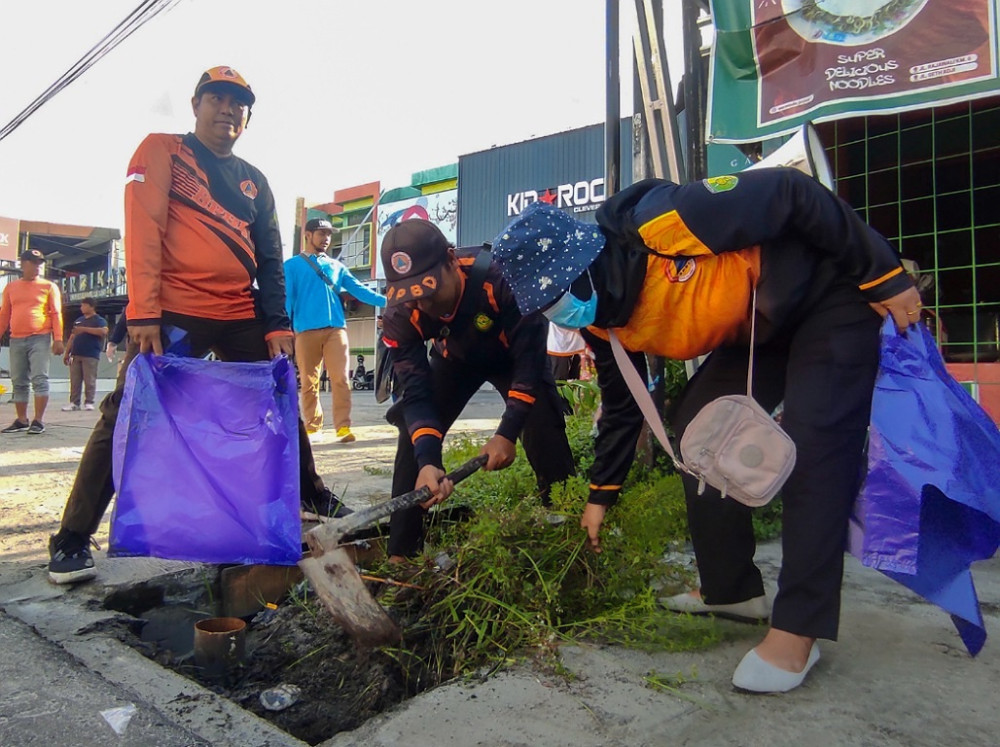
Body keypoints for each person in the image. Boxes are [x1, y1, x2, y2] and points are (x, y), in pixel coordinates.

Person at [492, 169, 923, 693]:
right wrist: (600, 496)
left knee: (813, 448)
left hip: (827, 295)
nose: (559, 312)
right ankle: (731, 589)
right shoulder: (599, 319)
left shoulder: (666, 223)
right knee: (696, 427)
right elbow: (625, 406)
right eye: (545, 306)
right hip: (758, 327)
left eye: (557, 296)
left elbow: (792, 193)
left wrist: (884, 275)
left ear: (584, 264)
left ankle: (798, 629)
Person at [47, 65, 348, 585]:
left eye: (238, 103)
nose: (227, 109)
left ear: (248, 117)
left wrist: (276, 324)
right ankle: (72, 538)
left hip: (237, 311)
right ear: (195, 104)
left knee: (276, 397)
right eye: (217, 98)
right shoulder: (162, 151)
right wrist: (143, 310)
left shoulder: (256, 180)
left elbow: (271, 259)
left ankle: (311, 494)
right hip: (173, 311)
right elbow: (143, 228)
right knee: (126, 412)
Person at [379, 219, 575, 561]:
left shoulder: (506, 279)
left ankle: (569, 521)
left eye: (428, 290)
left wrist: (506, 433)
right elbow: (416, 390)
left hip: (513, 358)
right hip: (454, 359)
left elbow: (529, 363)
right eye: (412, 295)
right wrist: (428, 460)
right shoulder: (401, 313)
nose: (423, 304)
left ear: (452, 260)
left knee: (543, 421)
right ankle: (402, 555)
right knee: (412, 439)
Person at [284, 217, 386, 442]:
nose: (327, 239)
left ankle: (342, 427)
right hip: (305, 331)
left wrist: (390, 301)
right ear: (308, 235)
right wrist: (285, 329)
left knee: (341, 378)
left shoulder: (337, 267)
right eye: (321, 233)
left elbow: (361, 291)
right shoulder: (291, 266)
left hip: (335, 330)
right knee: (309, 382)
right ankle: (312, 428)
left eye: (329, 234)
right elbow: (287, 300)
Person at [0, 249, 64, 434]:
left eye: (39, 263)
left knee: (39, 378)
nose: (37, 267)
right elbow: (4, 314)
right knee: (18, 380)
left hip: (40, 337)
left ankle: (38, 420)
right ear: (23, 263)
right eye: (34, 262)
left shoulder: (48, 286)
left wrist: (58, 338)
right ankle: (21, 419)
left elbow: (56, 313)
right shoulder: (11, 287)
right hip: (16, 338)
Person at [61, 297, 108, 411]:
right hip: (76, 353)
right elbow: (72, 337)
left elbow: (103, 331)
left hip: (90, 354)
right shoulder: (78, 320)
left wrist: (84, 329)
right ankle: (74, 402)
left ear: (91, 306)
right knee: (75, 380)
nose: (81, 308)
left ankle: (89, 401)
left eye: (84, 305)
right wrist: (67, 352)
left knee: (89, 379)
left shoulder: (99, 320)